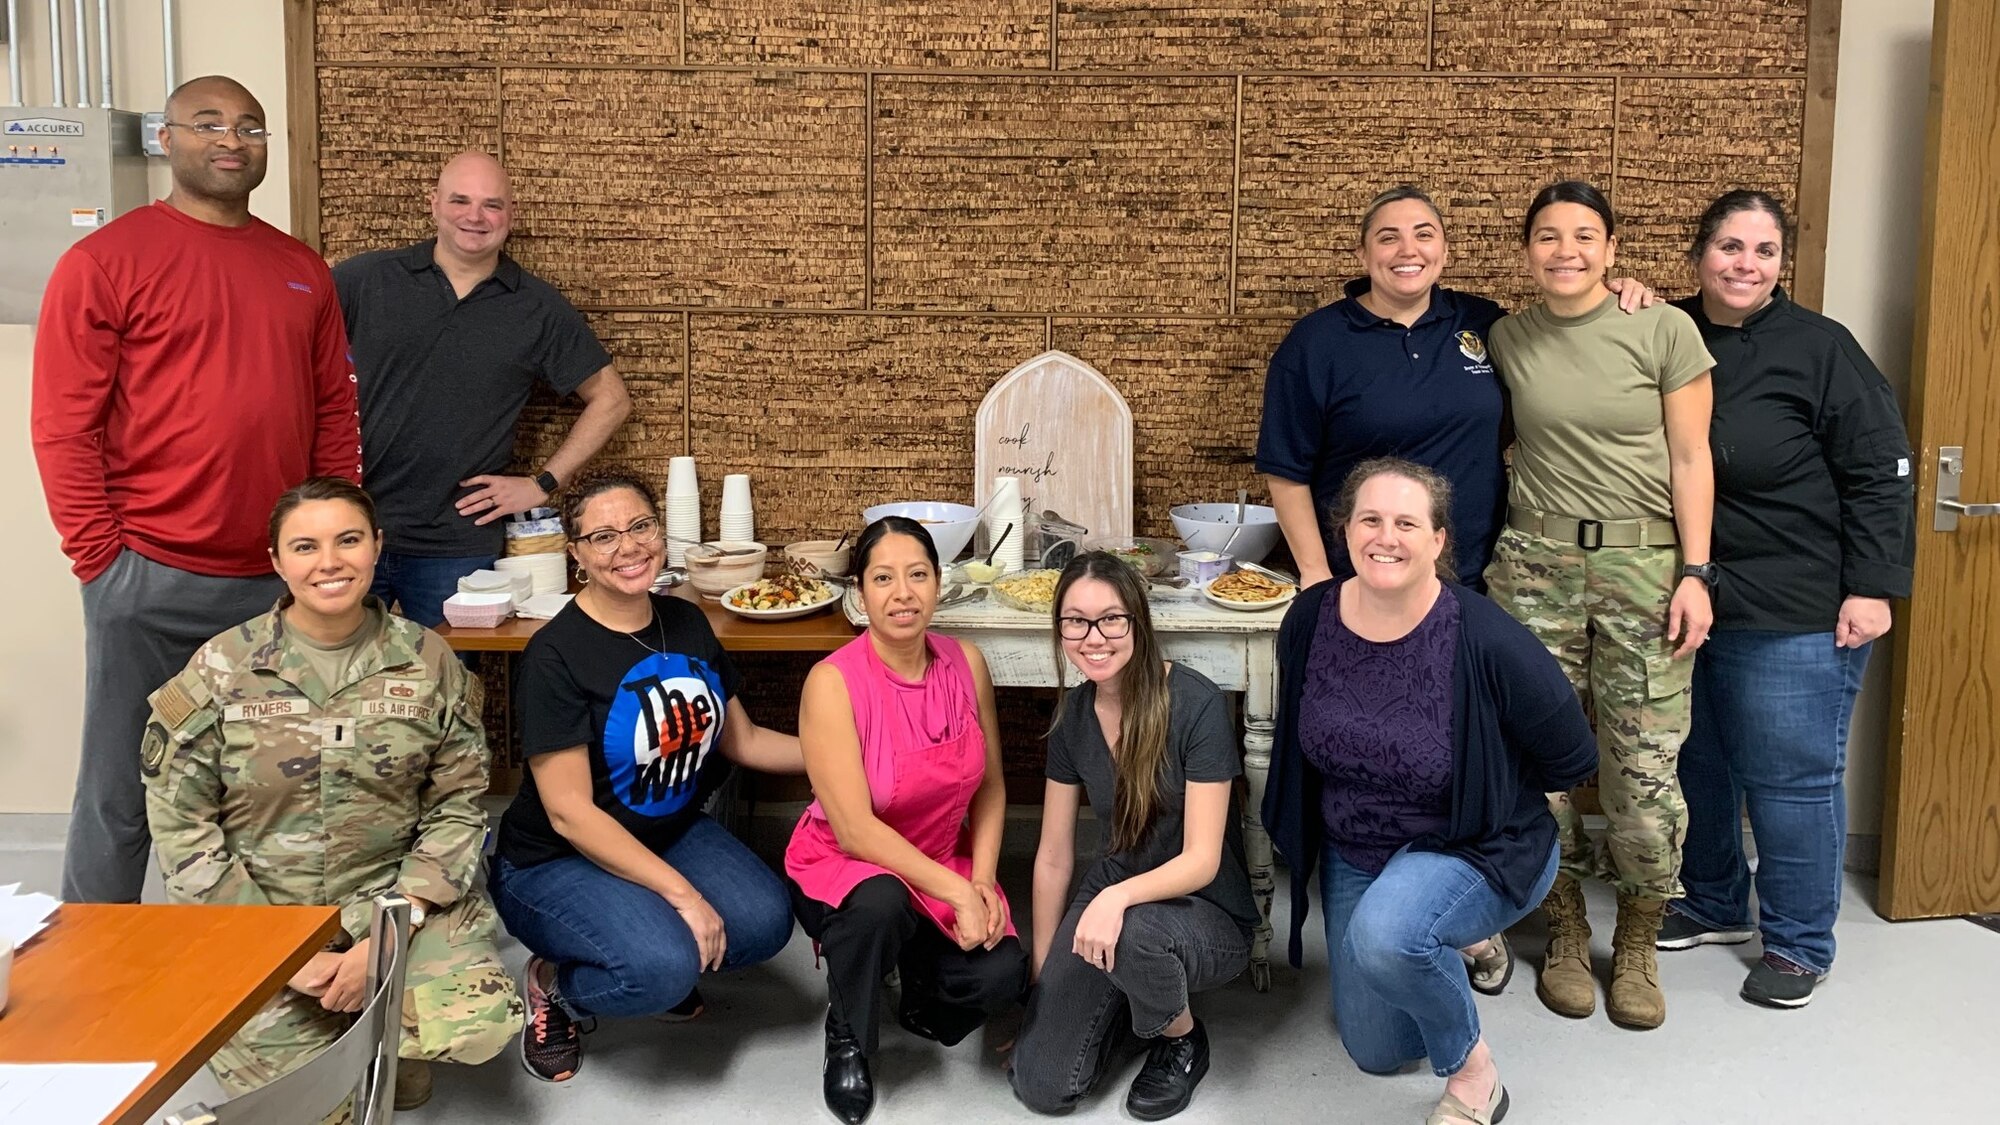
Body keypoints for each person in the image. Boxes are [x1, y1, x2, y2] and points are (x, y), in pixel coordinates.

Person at [33, 75, 362, 904]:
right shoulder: (104, 262)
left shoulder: (301, 270)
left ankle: (255, 985)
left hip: (273, 586)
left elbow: (332, 412)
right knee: (120, 794)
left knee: (272, 794)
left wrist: (329, 544)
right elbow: (64, 424)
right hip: (148, 573)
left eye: (251, 126)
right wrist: (101, 560)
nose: (231, 139)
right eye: (208, 122)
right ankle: (93, 982)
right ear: (165, 139)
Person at [141, 477, 520, 1115]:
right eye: (305, 546)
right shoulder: (221, 669)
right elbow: (182, 826)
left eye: (348, 540)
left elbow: (458, 804)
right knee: (321, 1111)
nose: (330, 562)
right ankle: (362, 1034)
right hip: (259, 917)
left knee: (476, 1024)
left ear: (377, 545)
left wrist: (391, 935)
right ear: (276, 560)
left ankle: (391, 1040)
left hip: (392, 902)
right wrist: (287, 955)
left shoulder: (431, 662)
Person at [1263, 459, 1596, 1125]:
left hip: (1472, 846)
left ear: (1439, 540)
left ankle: (1476, 1075)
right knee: (1379, 1050)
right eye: (1371, 519)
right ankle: (1461, 941)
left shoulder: (1484, 636)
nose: (1387, 537)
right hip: (1357, 851)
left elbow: (1573, 756)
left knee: (1390, 936)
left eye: (1407, 522)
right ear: (1345, 531)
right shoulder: (1309, 619)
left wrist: (1490, 784)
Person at [1661, 191, 1914, 1009]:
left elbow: (1880, 471)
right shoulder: (1666, 334)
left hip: (1799, 603)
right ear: (1698, 253)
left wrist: (1873, 588)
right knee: (1698, 763)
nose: (1745, 264)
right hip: (1686, 596)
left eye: (1763, 251)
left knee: (1789, 778)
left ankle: (1801, 942)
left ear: (1781, 265)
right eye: (1729, 246)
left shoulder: (1821, 348)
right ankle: (1713, 901)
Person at [1482, 180, 1716, 1031]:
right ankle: (1567, 926)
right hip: (1534, 564)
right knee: (1532, 759)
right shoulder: (1507, 336)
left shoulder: (1662, 327)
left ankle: (1642, 937)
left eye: (1585, 235)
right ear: (1527, 251)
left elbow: (1692, 458)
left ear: (1614, 250)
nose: (1566, 250)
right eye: (1547, 236)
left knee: (1643, 766)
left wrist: (1698, 571)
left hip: (1646, 566)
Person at [489, 470, 801, 1083]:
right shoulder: (554, 655)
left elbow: (745, 740)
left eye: (640, 527)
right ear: (576, 554)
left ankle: (655, 946)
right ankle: (556, 986)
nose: (628, 548)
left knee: (765, 924)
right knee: (660, 969)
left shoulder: (685, 621)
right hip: (555, 858)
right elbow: (569, 813)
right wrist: (683, 896)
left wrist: (861, 754)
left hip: (666, 829)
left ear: (661, 531)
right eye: (603, 536)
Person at [1256, 185, 1651, 591]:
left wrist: (1612, 290)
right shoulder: (1316, 342)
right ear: (1363, 254)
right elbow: (1286, 471)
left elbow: (1566, 328)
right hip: (1364, 579)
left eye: (1424, 235)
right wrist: (1315, 572)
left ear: (1444, 251)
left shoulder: (1483, 322)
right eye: (1388, 237)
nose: (1408, 250)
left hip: (1479, 578)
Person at [787, 517, 1028, 1125]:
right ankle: (847, 1031)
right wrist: (956, 890)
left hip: (943, 858)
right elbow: (854, 830)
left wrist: (982, 880)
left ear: (938, 584)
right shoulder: (833, 683)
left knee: (1001, 976)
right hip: (848, 868)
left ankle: (918, 990)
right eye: (884, 578)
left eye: (918, 575)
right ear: (859, 593)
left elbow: (993, 787)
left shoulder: (965, 663)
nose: (903, 593)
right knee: (880, 907)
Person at [333, 151, 630, 626]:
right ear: (433, 204)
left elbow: (612, 400)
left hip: (455, 544)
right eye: (460, 200)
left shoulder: (537, 307)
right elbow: (292, 368)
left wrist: (543, 484)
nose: (475, 216)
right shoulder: (363, 281)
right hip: (347, 529)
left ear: (511, 215)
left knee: (451, 686)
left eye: (492, 205)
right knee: (335, 683)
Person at [1010, 553, 1257, 1121]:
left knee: (1132, 934)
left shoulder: (1195, 704)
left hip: (1205, 908)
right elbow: (1051, 857)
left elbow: (1201, 859)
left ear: (1138, 623)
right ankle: (1126, 996)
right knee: (1041, 1085)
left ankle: (1181, 1038)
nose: (1093, 637)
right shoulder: (1074, 715)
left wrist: (1115, 898)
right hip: (1115, 893)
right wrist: (1043, 978)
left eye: (1111, 619)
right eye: (1075, 621)